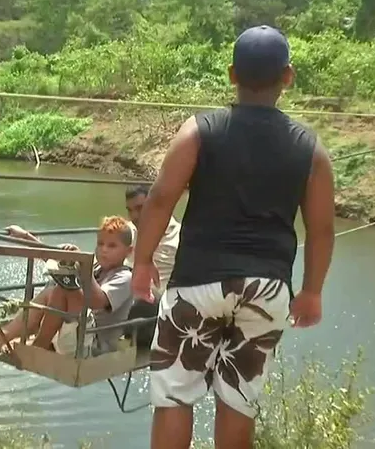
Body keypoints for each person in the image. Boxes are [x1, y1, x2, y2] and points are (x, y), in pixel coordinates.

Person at [131, 25, 336, 449]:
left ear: (231, 74)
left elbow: (160, 198)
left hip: (197, 283)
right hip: (267, 288)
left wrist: (143, 260)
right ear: (287, 77)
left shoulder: (200, 130)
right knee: (238, 402)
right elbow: (321, 230)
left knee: (174, 395)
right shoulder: (310, 149)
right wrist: (312, 291)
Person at [0, 216, 135, 358]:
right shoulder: (97, 266)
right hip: (75, 330)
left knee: (63, 288)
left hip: (93, 343)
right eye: (100, 244)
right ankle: (9, 334)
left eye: (112, 246)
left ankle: (39, 345)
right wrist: (25, 237)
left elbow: (96, 301)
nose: (104, 250)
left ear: (128, 252)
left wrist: (83, 266)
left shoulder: (125, 278)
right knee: (55, 285)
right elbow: (50, 259)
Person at [123, 184, 181, 348]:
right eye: (130, 210)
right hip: (123, 294)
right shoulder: (128, 231)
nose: (134, 216)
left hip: (156, 306)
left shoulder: (179, 237)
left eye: (140, 208)